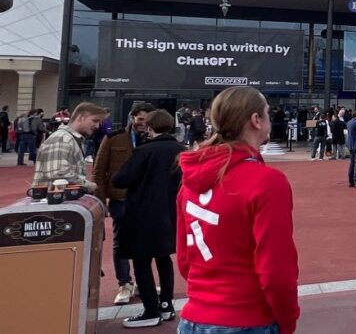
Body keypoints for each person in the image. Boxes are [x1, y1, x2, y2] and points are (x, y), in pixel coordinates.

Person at [176, 86, 299, 334]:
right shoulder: (267, 182)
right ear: (256, 120)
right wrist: (287, 320)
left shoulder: (191, 178)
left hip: (194, 316)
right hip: (247, 316)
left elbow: (185, 256)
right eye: (267, 113)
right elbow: (276, 269)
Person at [112, 110, 185, 328]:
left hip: (143, 212)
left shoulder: (144, 151)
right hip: (171, 211)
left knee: (141, 261)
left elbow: (120, 179)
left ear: (150, 127)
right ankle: (166, 305)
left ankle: (151, 310)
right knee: (164, 258)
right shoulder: (181, 150)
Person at [93, 102, 155, 306]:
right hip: (120, 198)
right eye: (140, 119)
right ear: (132, 118)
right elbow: (98, 170)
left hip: (146, 199)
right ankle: (124, 283)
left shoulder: (155, 139)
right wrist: (100, 200)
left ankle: (142, 282)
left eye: (147, 120)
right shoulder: (114, 138)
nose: (143, 124)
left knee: (144, 242)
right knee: (121, 242)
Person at [32, 102, 105, 191]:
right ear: (80, 118)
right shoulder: (62, 138)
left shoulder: (70, 139)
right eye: (95, 121)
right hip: (54, 198)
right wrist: (90, 186)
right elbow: (59, 174)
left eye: (99, 123)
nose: (97, 126)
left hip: (59, 198)